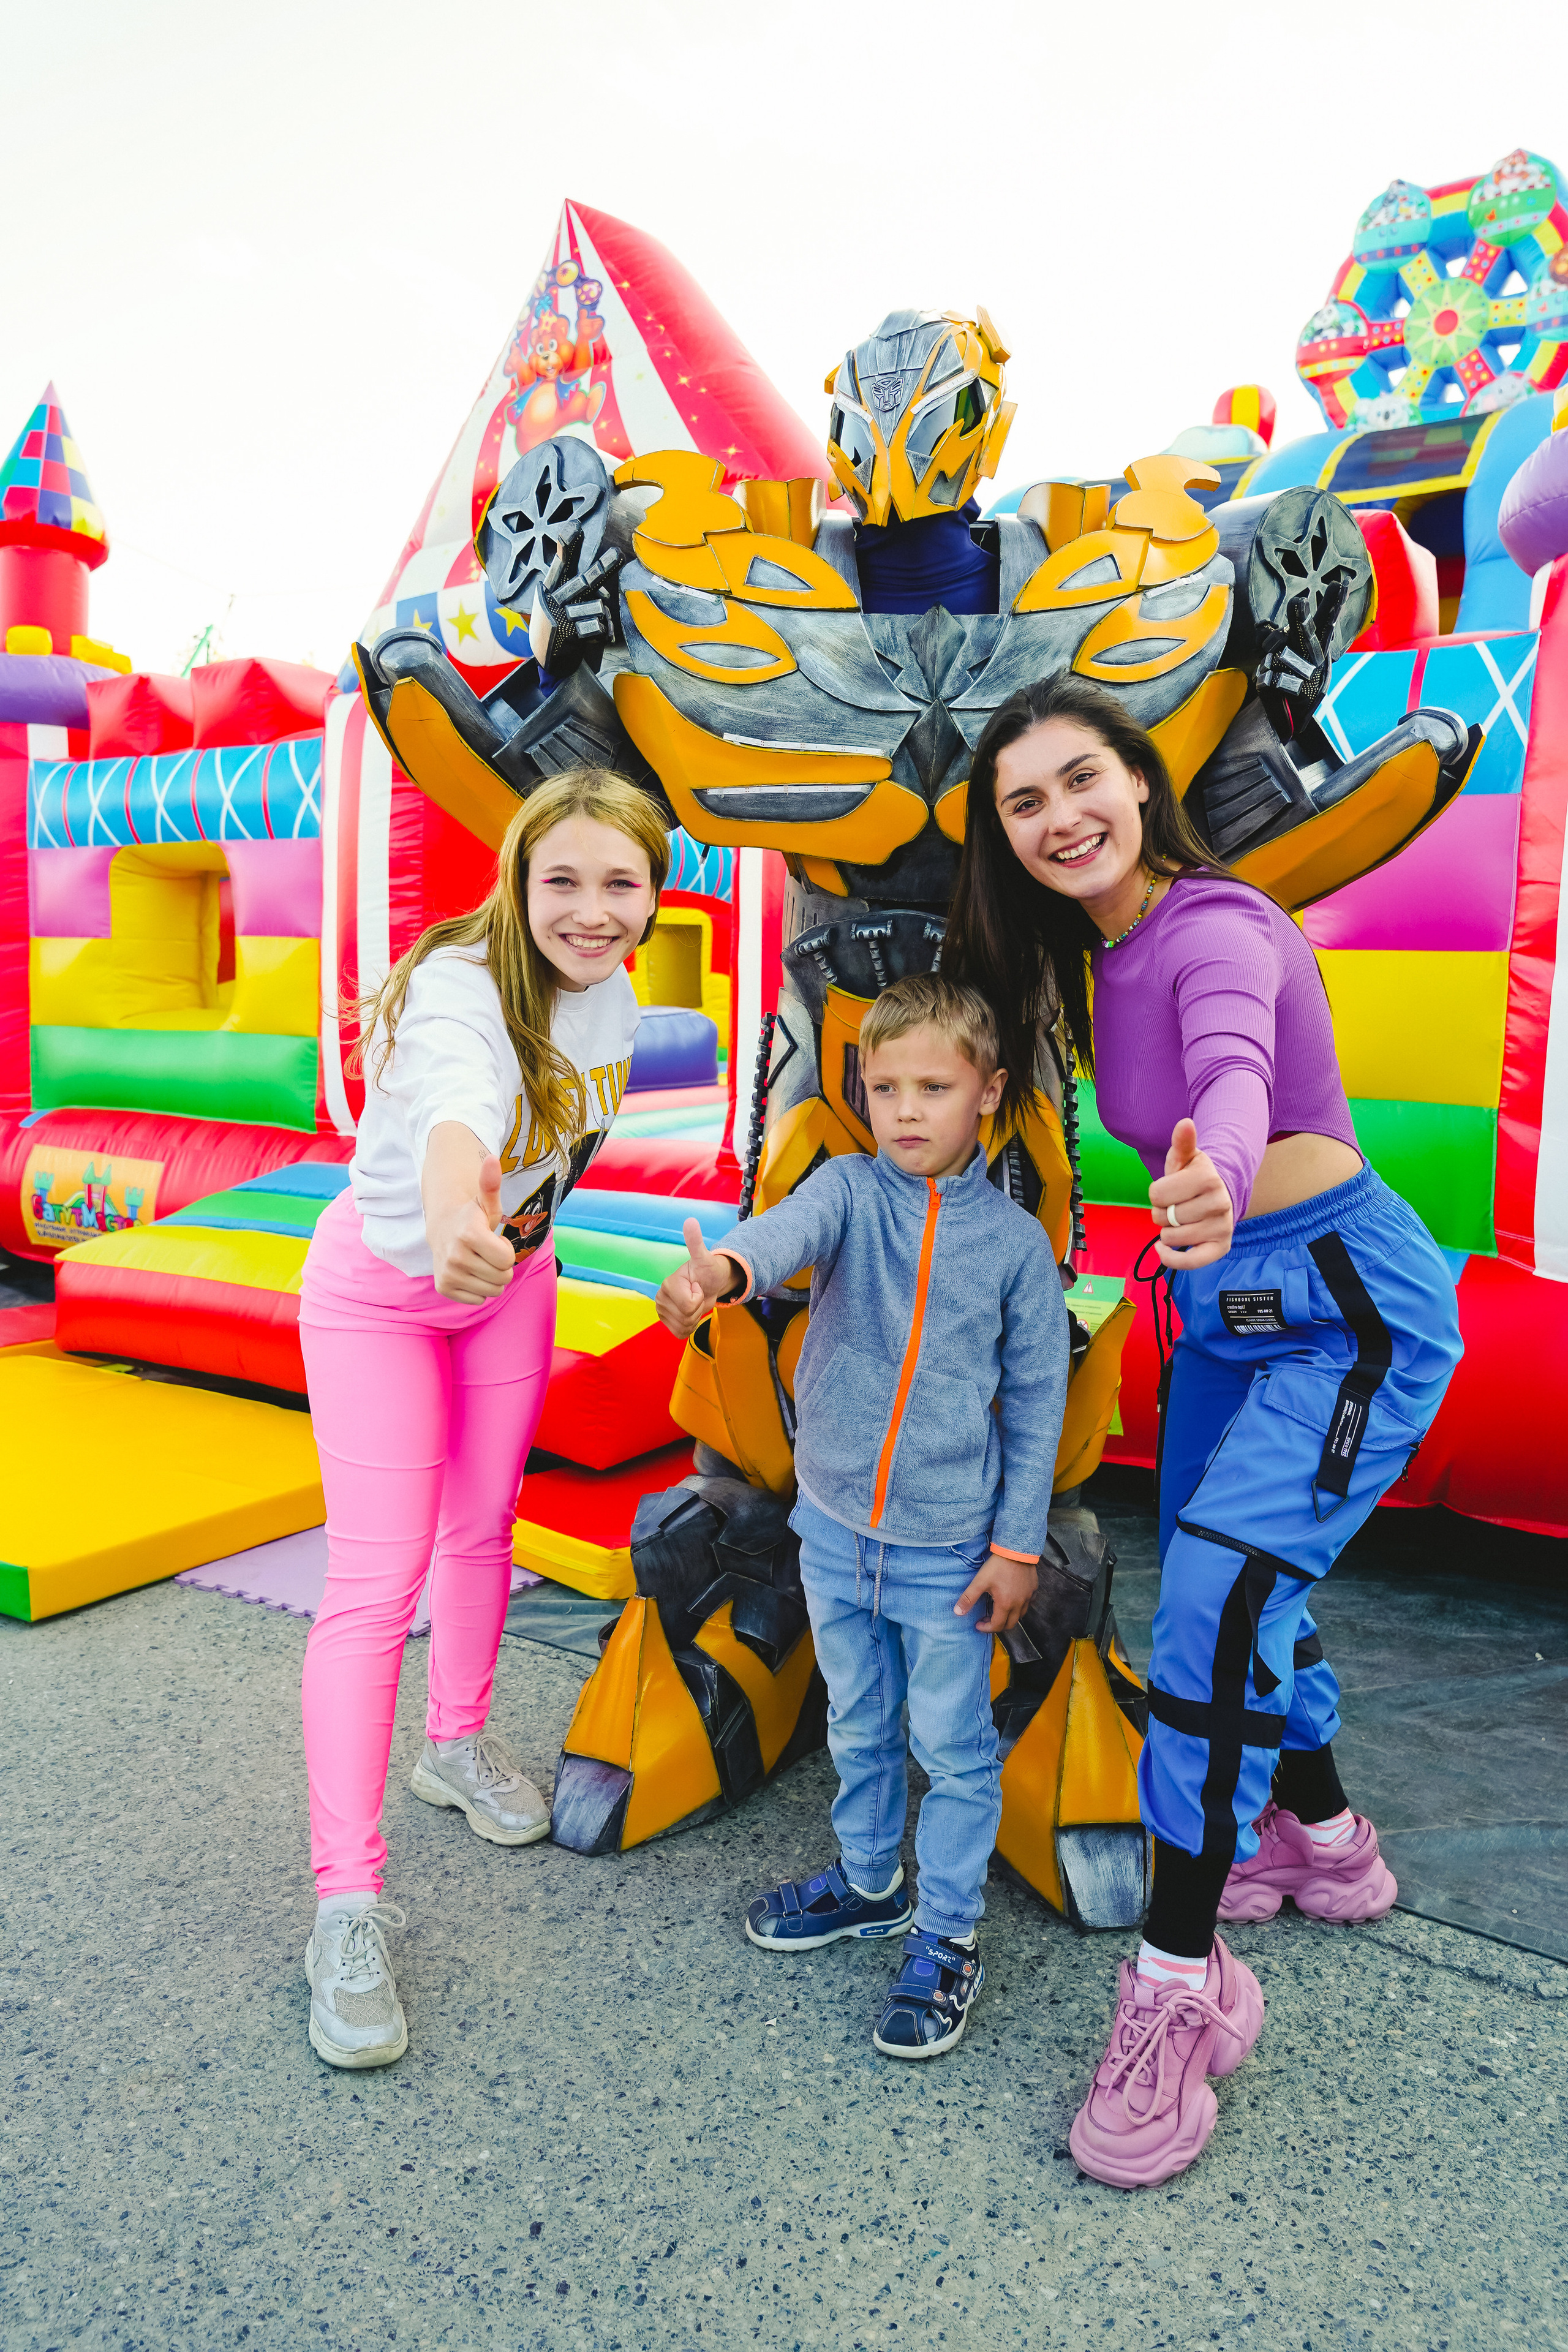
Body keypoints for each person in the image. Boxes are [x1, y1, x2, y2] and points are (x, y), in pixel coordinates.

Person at [943, 672, 1462, 2184]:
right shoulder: (1082, 956)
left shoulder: (1216, 924)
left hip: (1341, 1305)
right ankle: (1318, 1839)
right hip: (1225, 1312)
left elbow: (1232, 1073)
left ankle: (1180, 1992)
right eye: (1022, 800)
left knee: (1212, 1618)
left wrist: (1216, 1174)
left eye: (1079, 780)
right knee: (1233, 1597)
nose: (1058, 817)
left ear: (1138, 778)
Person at [299, 766, 666, 2069]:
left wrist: (500, 1243)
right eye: (560, 880)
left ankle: (453, 1745)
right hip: (387, 1298)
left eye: (617, 882)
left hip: (510, 1288)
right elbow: (462, 1123)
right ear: (515, 881)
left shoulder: (613, 990)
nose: (590, 909)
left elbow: (543, 1165)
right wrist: (458, 1217)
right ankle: (345, 1906)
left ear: (650, 888)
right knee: (373, 1579)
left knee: (483, 1532)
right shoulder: (461, 995)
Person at [654, 974, 1068, 2060]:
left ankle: (949, 1935)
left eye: (935, 1086)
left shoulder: (1017, 1249)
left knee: (953, 1745)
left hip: (946, 1553)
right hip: (836, 1531)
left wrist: (1018, 1545)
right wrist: (726, 1273)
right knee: (857, 1724)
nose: (908, 1111)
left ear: (989, 1093)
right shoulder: (848, 1190)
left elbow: (1035, 1406)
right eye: (886, 1088)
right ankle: (873, 1881)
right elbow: (782, 1235)